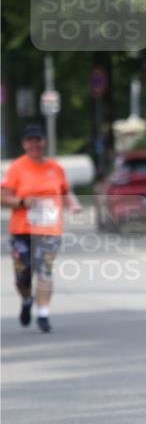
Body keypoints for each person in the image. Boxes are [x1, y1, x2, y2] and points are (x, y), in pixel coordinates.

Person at [1, 124, 81, 333]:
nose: (34, 144)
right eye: (30, 140)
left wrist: (73, 204)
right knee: (22, 277)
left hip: (48, 229)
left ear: (44, 142)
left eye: (38, 140)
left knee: (44, 271)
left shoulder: (56, 168)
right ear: (24, 144)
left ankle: (43, 313)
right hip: (22, 231)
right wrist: (22, 202)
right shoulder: (17, 168)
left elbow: (65, 191)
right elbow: (3, 197)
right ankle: (27, 300)